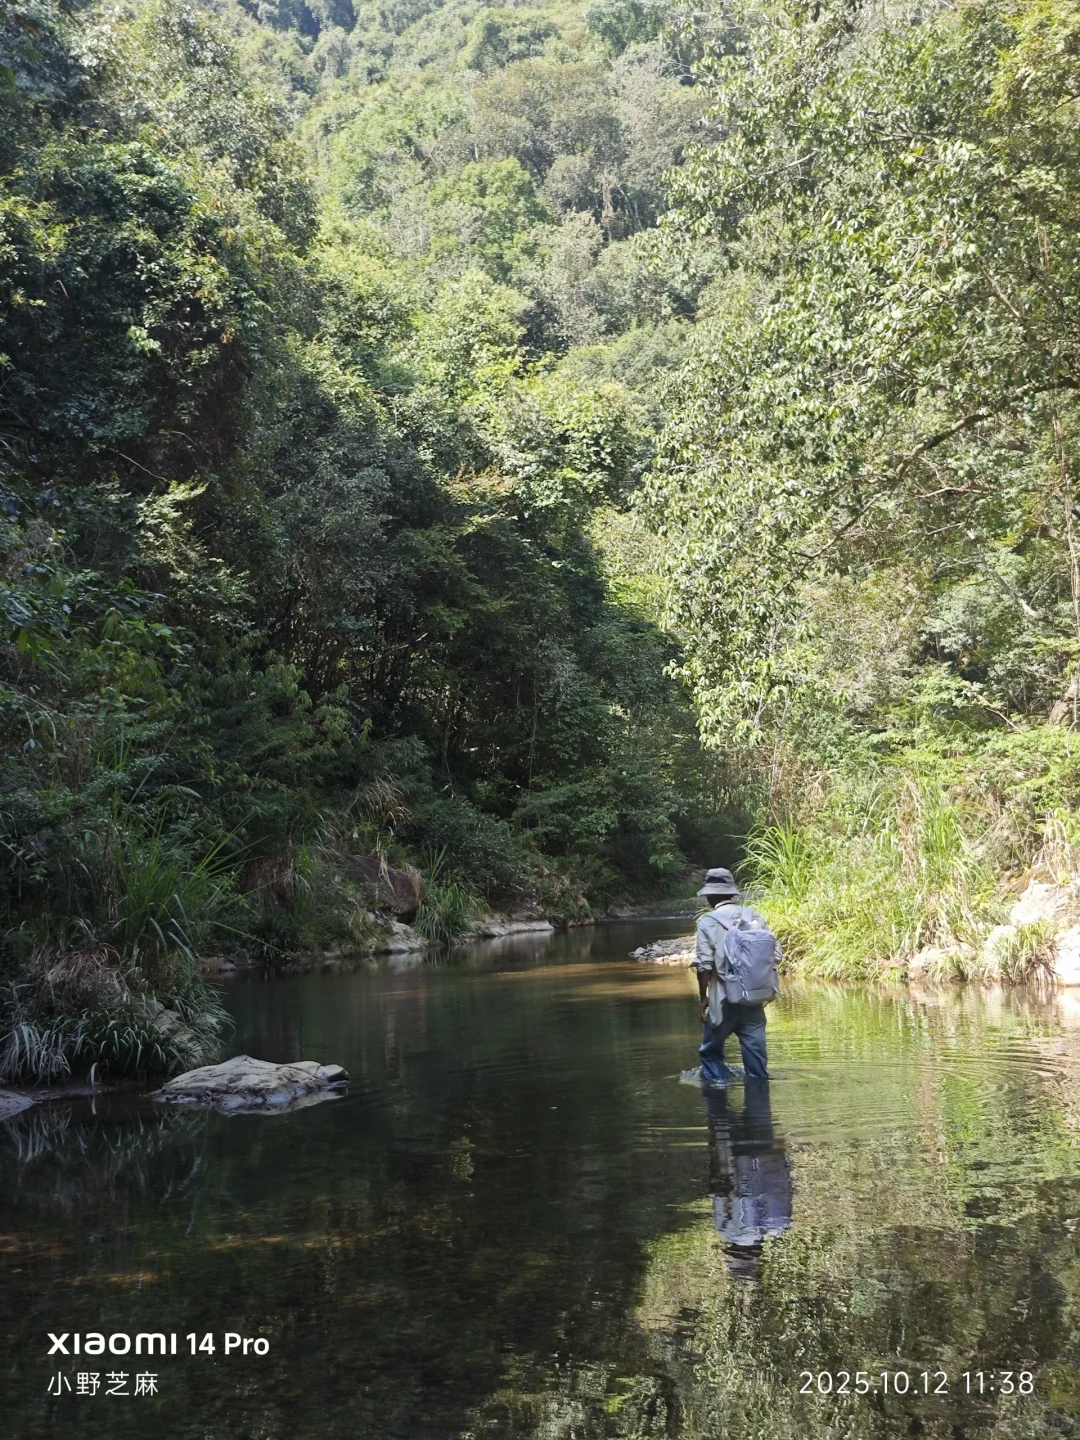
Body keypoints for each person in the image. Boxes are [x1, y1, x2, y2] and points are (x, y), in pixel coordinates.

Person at [690, 867, 776, 1085]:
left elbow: (704, 966)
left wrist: (703, 998)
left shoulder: (708, 922)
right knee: (757, 1067)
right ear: (731, 892)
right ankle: (759, 1110)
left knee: (710, 1054)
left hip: (723, 1000)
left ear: (711, 895)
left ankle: (718, 1103)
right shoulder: (754, 916)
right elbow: (773, 956)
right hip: (754, 998)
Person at [705, 1082, 792, 1279]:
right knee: (717, 1107)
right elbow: (720, 1196)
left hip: (767, 1155)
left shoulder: (779, 1226)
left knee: (759, 1106)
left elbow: (787, 1185)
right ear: (733, 1251)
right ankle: (714, 1083)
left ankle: (752, 1084)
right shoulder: (727, 1233)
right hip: (738, 1160)